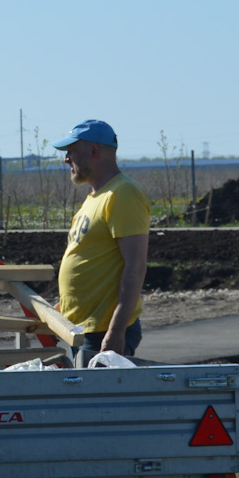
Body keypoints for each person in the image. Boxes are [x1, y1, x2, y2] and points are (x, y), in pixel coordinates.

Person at [51, 119, 150, 365]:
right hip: (84, 329)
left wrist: (115, 332)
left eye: (71, 151)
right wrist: (60, 310)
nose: (66, 159)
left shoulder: (123, 193)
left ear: (94, 151)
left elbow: (135, 266)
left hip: (104, 331)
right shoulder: (95, 197)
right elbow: (93, 260)